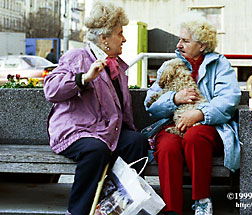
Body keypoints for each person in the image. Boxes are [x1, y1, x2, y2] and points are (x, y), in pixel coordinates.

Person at [43, 2, 148, 215]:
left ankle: (118, 203)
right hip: (76, 130)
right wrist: (83, 78)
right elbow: (51, 90)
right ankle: (78, 210)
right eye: (120, 34)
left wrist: (134, 132)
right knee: (96, 149)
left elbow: (122, 109)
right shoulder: (77, 57)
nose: (124, 39)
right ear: (104, 38)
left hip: (105, 131)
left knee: (136, 142)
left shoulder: (116, 65)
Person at [144, 12, 241, 215]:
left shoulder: (220, 65)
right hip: (173, 124)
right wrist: (174, 99)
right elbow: (150, 104)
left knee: (195, 137)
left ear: (202, 45)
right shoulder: (168, 66)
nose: (179, 45)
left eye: (185, 41)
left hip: (209, 126)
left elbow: (229, 99)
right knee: (168, 145)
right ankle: (172, 209)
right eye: (179, 39)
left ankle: (202, 201)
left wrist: (199, 113)